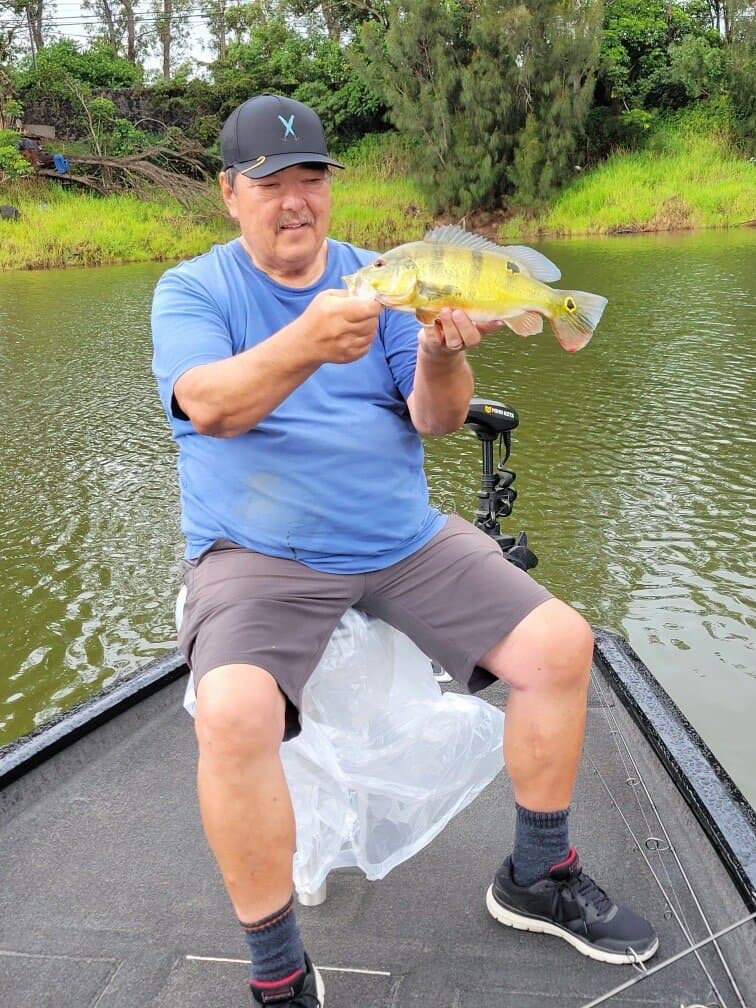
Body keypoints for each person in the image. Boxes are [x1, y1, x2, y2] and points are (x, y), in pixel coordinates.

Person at [151, 93, 658, 1007]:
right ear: (230, 193)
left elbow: (437, 419)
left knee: (559, 644)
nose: (296, 201)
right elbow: (211, 405)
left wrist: (441, 353)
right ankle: (279, 971)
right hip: (257, 551)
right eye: (271, 183)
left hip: (399, 535)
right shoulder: (193, 291)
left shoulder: (384, 279)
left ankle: (538, 875)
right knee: (230, 712)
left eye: (313, 180)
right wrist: (305, 343)